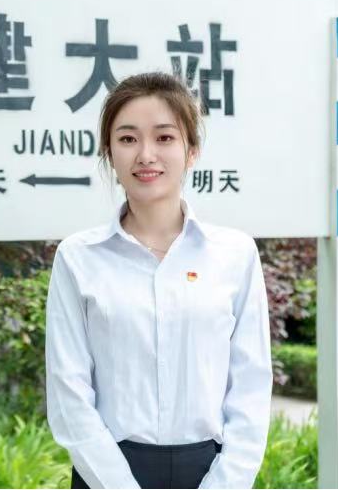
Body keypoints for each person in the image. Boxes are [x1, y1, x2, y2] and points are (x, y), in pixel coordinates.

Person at [44, 72, 273, 489]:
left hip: (212, 472)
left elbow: (251, 389)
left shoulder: (235, 254)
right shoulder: (78, 258)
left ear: (191, 151)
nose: (146, 155)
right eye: (128, 139)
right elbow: (68, 394)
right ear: (109, 152)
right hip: (106, 473)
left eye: (164, 137)